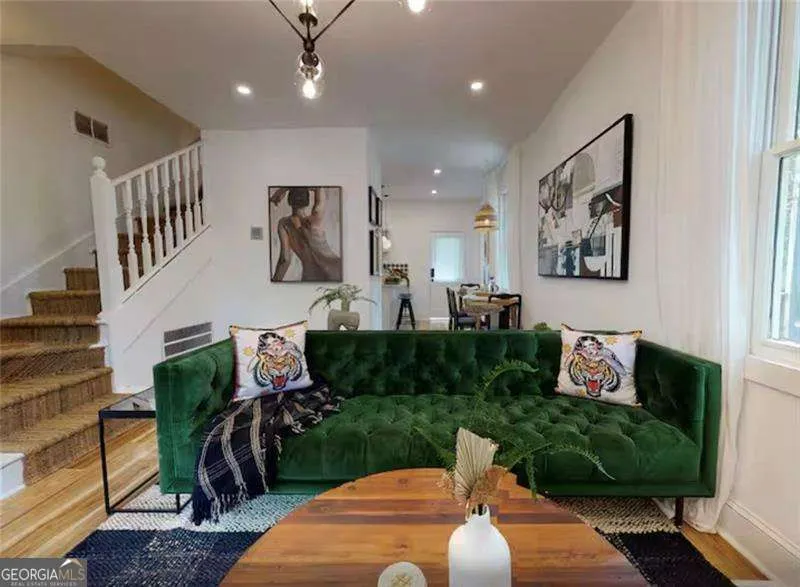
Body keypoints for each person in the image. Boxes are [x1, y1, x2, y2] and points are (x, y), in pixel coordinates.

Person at [270, 187, 342, 282]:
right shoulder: (315, 219)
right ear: (307, 201)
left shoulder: (284, 224)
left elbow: (285, 259)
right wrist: (283, 189)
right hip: (334, 271)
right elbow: (319, 187)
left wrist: (274, 282)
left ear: (289, 201)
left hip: (311, 276)